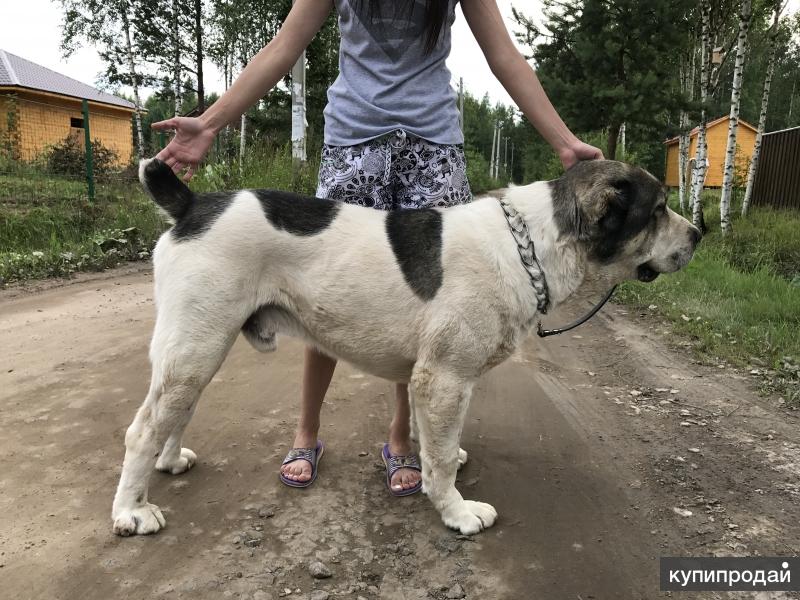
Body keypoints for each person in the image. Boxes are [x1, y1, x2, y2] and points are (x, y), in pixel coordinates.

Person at [152, 0, 603, 496]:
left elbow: (505, 57)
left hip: (432, 148)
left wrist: (564, 143)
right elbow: (284, 46)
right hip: (354, 143)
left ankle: (402, 439)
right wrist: (212, 122)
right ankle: (307, 432)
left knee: (428, 309)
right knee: (323, 291)